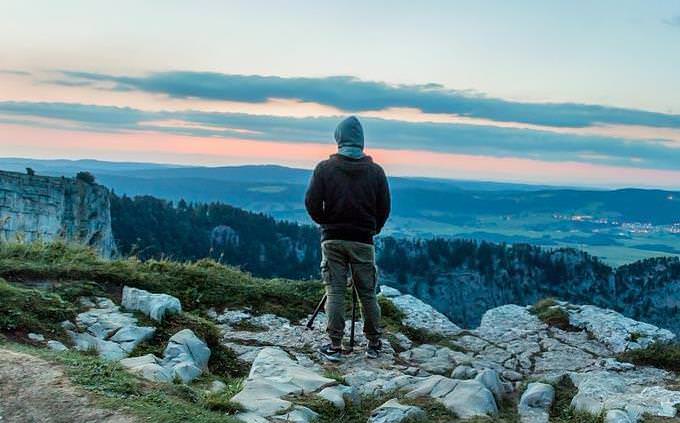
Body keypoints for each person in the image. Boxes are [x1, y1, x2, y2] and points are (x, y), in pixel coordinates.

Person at [304, 116, 391, 361]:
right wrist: (374, 229)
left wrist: (325, 223)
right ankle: (374, 343)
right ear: (361, 141)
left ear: (339, 139)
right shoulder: (375, 172)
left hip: (332, 239)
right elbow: (384, 207)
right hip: (363, 239)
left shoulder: (324, 168)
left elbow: (311, 202)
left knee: (335, 291)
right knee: (367, 293)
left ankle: (334, 345)